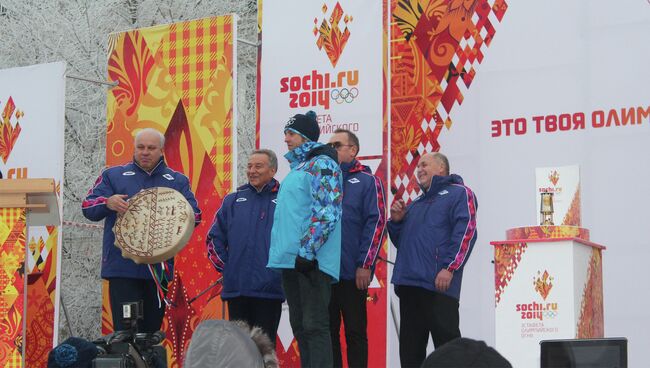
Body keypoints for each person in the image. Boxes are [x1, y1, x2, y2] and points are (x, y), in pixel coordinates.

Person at [82, 128, 201, 333]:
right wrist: (108, 202)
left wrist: (175, 214)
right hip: (122, 268)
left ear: (162, 151)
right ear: (134, 148)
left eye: (151, 148)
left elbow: (196, 216)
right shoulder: (113, 175)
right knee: (126, 331)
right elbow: (87, 207)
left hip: (158, 271)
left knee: (151, 333)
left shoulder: (177, 180)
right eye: (140, 147)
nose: (145, 152)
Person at [267, 111, 343, 367]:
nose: (286, 139)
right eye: (286, 134)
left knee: (315, 325)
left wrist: (308, 252)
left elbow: (327, 210)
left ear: (304, 136)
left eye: (291, 134)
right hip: (292, 261)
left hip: (311, 261)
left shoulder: (322, 164)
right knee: (300, 326)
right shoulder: (300, 167)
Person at [388, 152, 478, 368]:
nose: (419, 169)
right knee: (410, 355)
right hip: (410, 286)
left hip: (439, 286)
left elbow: (466, 231)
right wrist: (397, 222)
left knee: (449, 354)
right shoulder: (416, 203)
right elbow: (406, 244)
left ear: (441, 168)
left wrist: (450, 267)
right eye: (417, 166)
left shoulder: (459, 193)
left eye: (424, 164)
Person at [206, 149, 284, 345]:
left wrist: (280, 272)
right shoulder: (232, 201)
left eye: (258, 166)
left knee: (264, 351)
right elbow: (213, 238)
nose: (252, 171)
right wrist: (228, 268)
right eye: (249, 166)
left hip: (269, 290)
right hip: (237, 290)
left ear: (273, 170)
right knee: (239, 351)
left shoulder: (285, 200)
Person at [327, 129, 386, 368]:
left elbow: (377, 222)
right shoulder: (323, 181)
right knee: (328, 334)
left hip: (353, 273)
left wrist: (365, 264)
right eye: (329, 145)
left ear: (353, 150)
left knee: (355, 334)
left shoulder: (367, 181)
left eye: (338, 145)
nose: (332, 149)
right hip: (325, 274)